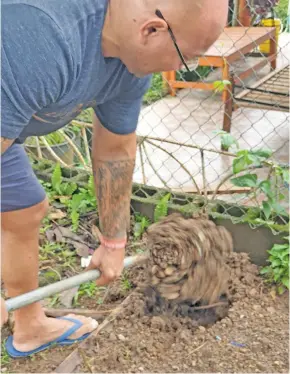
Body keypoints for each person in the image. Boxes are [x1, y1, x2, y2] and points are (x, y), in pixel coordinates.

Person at [1, 0, 228, 357]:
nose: (183, 68)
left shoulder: (130, 65)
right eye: (188, 58)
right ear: (151, 30)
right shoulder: (41, 36)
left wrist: (113, 242)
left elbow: (115, 150)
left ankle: (30, 327)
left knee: (24, 208)